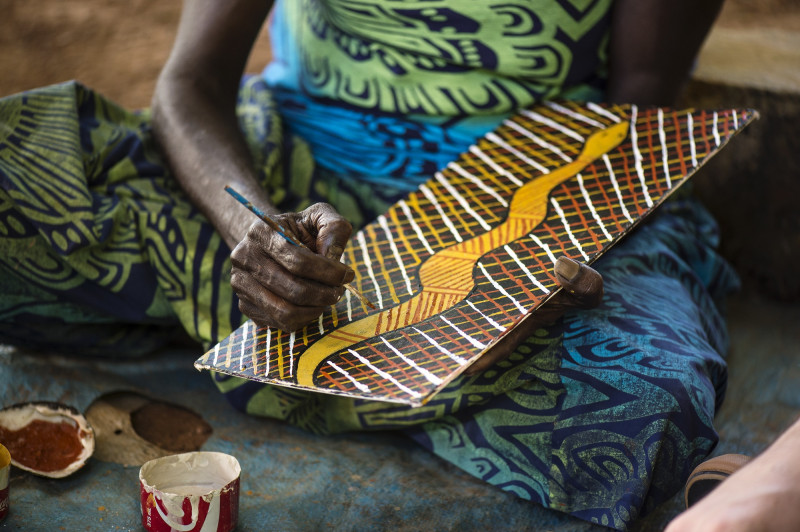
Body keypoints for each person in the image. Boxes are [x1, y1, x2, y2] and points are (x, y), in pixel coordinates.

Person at [0, 0, 732, 529]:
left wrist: (520, 264)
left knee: (648, 404)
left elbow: (638, 110)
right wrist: (252, 228)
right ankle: (379, 363)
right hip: (287, 169)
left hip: (525, 197)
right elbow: (190, 83)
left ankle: (270, 341)